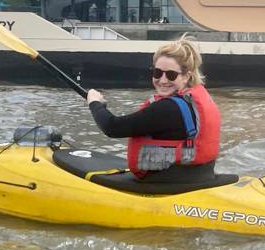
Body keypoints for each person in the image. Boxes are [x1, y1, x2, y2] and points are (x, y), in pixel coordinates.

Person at [85, 34, 220, 182]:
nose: (162, 80)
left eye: (171, 75)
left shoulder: (168, 108)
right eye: (157, 72)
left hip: (170, 180)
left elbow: (112, 127)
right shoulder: (194, 100)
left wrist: (94, 102)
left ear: (186, 76)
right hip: (197, 174)